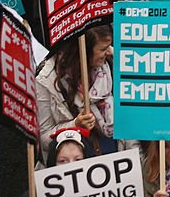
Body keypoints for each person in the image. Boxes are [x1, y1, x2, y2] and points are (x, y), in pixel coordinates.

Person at [35, 24, 116, 155]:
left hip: (117, 156)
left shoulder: (112, 63)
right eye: (103, 49)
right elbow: (43, 139)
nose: (109, 52)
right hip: (76, 163)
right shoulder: (46, 79)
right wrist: (75, 126)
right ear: (83, 51)